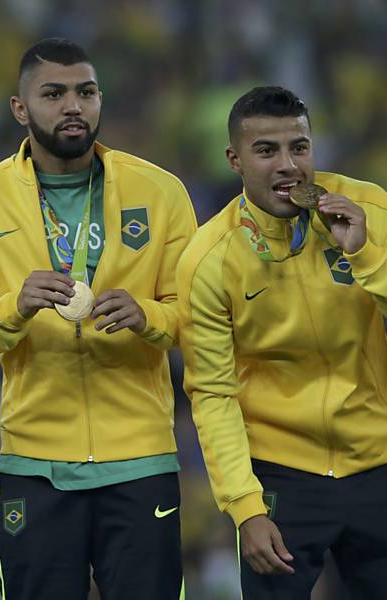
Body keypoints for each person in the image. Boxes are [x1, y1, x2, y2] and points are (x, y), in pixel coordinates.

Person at [0, 38, 197, 599]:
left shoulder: (160, 191)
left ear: (100, 100)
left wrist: (147, 315)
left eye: (86, 92)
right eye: (54, 93)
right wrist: (15, 305)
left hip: (140, 459)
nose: (73, 106)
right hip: (35, 461)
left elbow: (198, 317)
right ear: (20, 109)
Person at [177, 86, 387, 599]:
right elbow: (213, 394)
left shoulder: (371, 210)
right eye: (266, 150)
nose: (288, 165)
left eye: (300, 147)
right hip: (282, 476)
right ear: (235, 159)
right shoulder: (208, 259)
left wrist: (366, 258)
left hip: (379, 461)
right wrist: (246, 507)